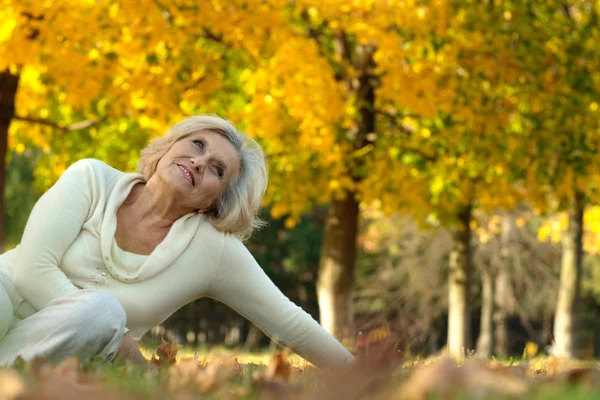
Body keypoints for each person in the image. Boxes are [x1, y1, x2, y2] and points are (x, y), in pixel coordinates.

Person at [0, 115, 354, 368]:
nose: (199, 161)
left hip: (67, 344)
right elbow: (32, 270)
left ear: (214, 201)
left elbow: (288, 321)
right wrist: (121, 341)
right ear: (168, 147)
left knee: (100, 312)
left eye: (217, 169)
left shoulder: (212, 250)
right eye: (196, 144)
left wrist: (362, 378)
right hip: (6, 296)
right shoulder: (91, 178)